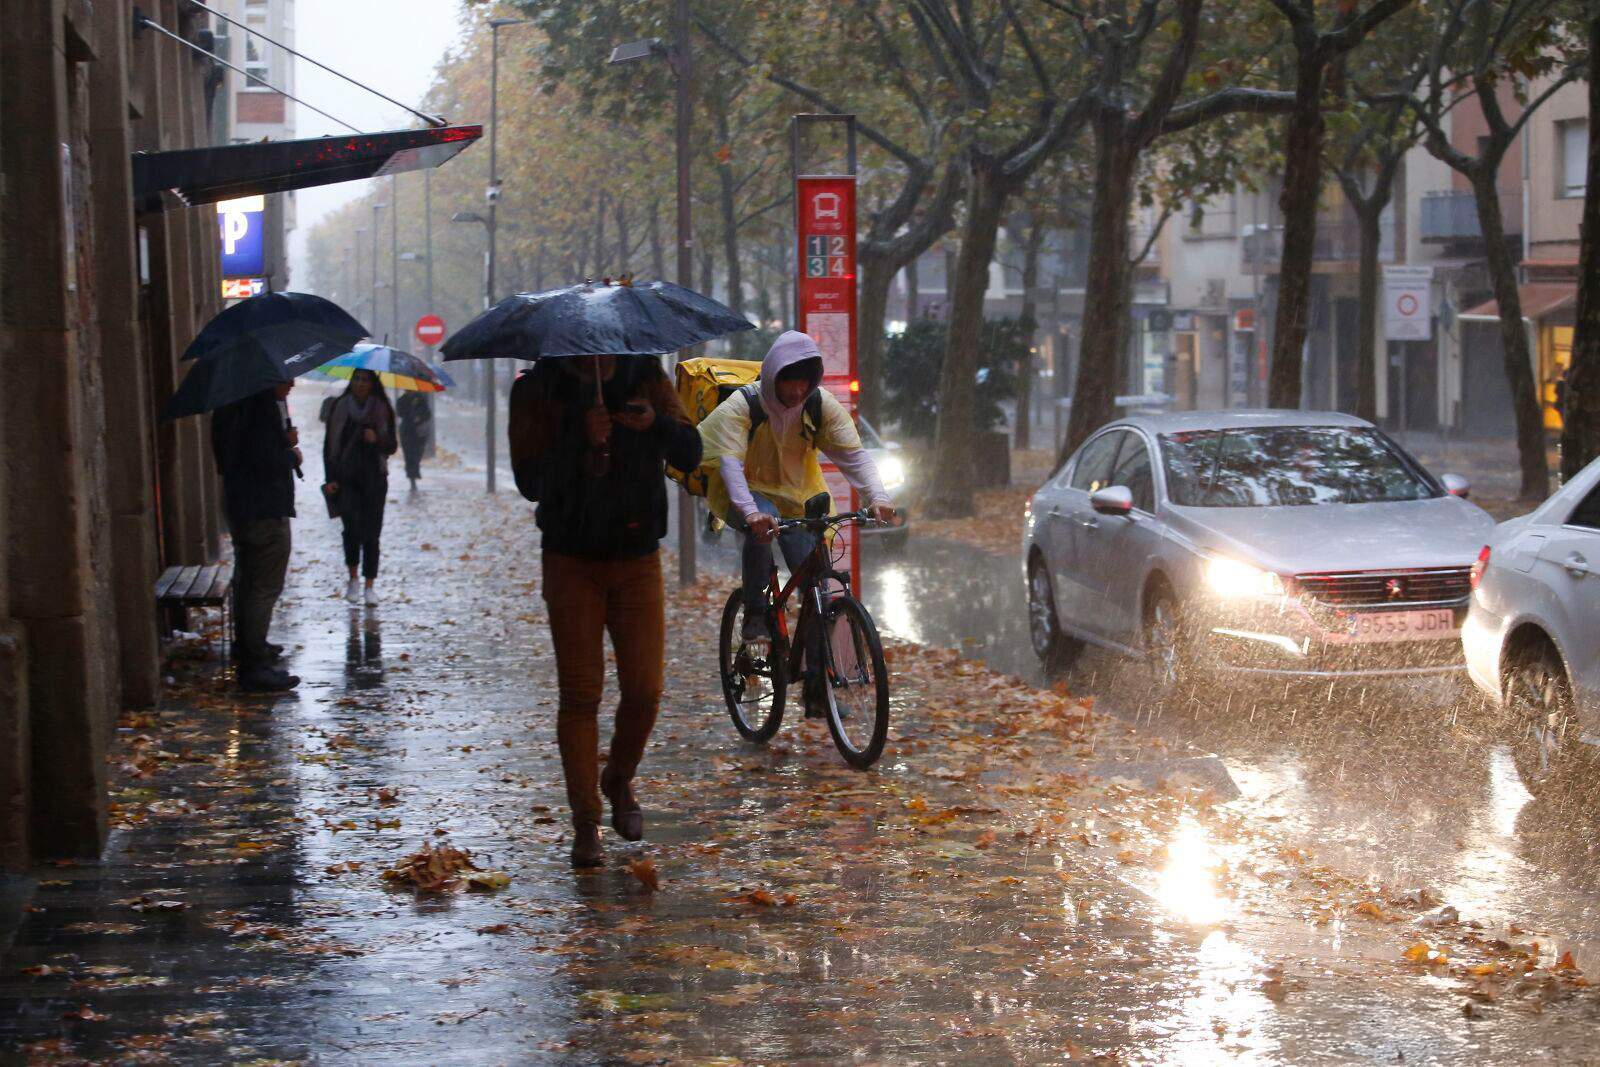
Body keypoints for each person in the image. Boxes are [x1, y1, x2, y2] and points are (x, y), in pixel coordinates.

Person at [511, 354, 700, 868]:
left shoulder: (647, 377)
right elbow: (529, 480)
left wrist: (654, 424)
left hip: (637, 560)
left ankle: (618, 777)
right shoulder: (537, 387)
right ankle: (586, 822)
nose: (600, 354)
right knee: (581, 693)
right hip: (571, 560)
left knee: (645, 689)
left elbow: (690, 451)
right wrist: (579, 436)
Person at [696, 331, 897, 712]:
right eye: (790, 379)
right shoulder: (744, 406)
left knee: (818, 588)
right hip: (745, 490)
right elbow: (730, 466)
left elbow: (854, 456)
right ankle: (756, 612)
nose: (797, 389)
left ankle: (817, 690)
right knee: (761, 529)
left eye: (805, 381)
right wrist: (751, 512)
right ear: (773, 375)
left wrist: (879, 497)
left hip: (798, 496)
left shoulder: (819, 405)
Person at [211, 380, 302, 693]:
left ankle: (251, 647)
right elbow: (264, 460)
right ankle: (255, 665)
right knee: (264, 585)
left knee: (249, 579)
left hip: (240, 504)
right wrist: (289, 450)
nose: (290, 383)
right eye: (285, 376)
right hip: (263, 508)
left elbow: (224, 456)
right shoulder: (258, 408)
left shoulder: (229, 401)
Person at [322, 369, 397, 606]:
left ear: (373, 383)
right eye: (356, 379)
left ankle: (370, 585)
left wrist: (377, 440)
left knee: (372, 533)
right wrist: (330, 478)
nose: (360, 384)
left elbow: (392, 446)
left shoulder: (382, 409)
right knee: (351, 529)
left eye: (365, 380)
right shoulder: (340, 408)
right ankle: (353, 578)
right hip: (346, 480)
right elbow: (329, 447)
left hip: (375, 479)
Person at [396, 390, 433, 491]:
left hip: (419, 432)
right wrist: (409, 408)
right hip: (407, 432)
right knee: (409, 456)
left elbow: (427, 413)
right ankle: (412, 478)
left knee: (417, 454)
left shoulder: (421, 399)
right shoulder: (401, 400)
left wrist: (419, 417)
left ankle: (414, 471)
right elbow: (399, 413)